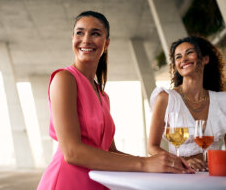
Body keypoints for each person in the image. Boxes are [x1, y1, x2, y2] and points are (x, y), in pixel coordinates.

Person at [37, 11, 193, 190]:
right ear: (72, 39)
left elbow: (110, 152)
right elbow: (72, 152)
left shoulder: (103, 96)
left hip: (99, 182)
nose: (86, 39)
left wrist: (156, 162)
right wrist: (144, 164)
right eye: (80, 33)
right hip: (67, 182)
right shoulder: (64, 79)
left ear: (106, 43)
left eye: (95, 33)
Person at [148, 36, 226, 172]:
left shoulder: (222, 100)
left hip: (215, 175)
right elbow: (152, 147)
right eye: (178, 57)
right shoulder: (166, 98)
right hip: (182, 174)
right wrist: (182, 162)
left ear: (205, 59)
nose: (183, 59)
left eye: (189, 52)